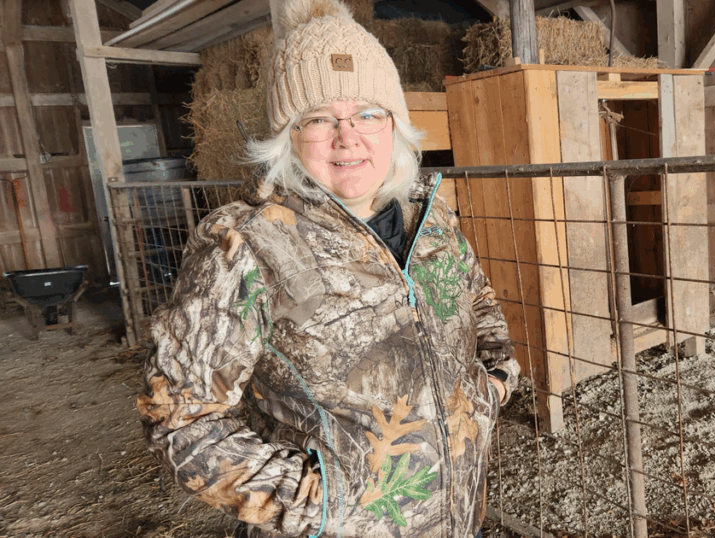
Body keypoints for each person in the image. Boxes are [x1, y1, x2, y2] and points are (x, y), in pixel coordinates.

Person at [136, 1, 519, 536]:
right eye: (318, 119)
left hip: (458, 517)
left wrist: (495, 378)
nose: (348, 136)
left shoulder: (429, 218)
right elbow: (181, 418)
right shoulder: (245, 246)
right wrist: (318, 502)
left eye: (368, 113)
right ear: (285, 137)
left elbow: (478, 300)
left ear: (395, 127)